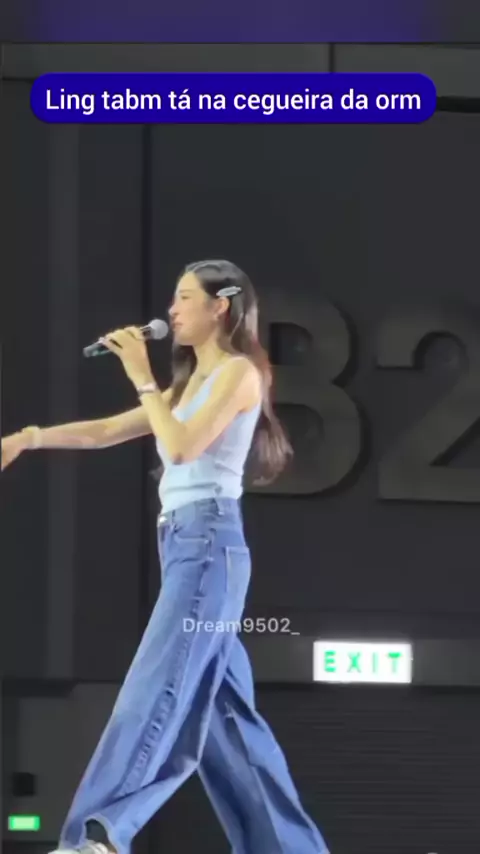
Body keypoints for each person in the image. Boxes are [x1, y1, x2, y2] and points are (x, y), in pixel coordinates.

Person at [2, 260, 329, 854]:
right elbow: (107, 430)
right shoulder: (189, 385)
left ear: (220, 306)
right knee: (230, 723)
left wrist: (141, 378)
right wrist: (28, 438)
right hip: (187, 547)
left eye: (183, 298)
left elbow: (179, 448)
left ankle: (98, 836)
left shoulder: (237, 373)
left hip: (208, 547)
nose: (171, 311)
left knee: (154, 689)